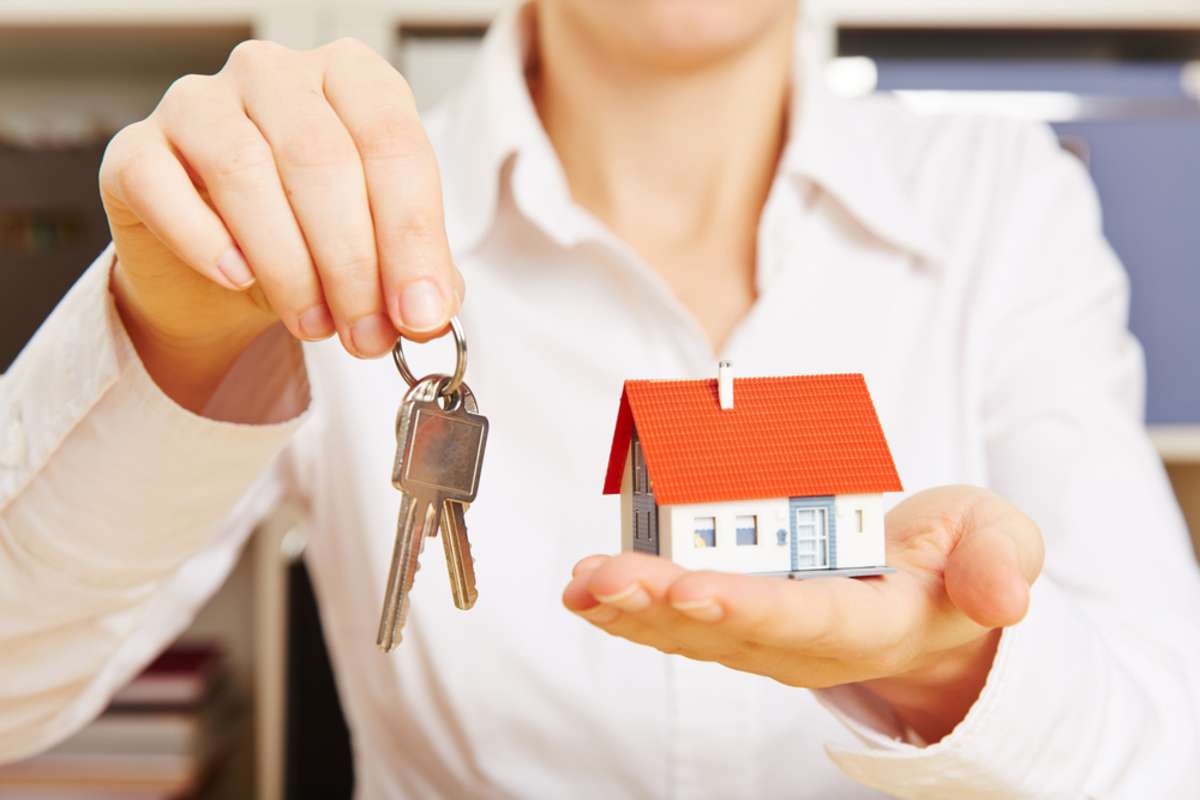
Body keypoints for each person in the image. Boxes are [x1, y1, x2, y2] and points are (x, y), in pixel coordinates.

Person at [2, 1, 1198, 796]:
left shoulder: (1004, 200)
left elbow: (1169, 747)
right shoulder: (325, 219)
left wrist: (960, 678)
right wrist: (172, 334)